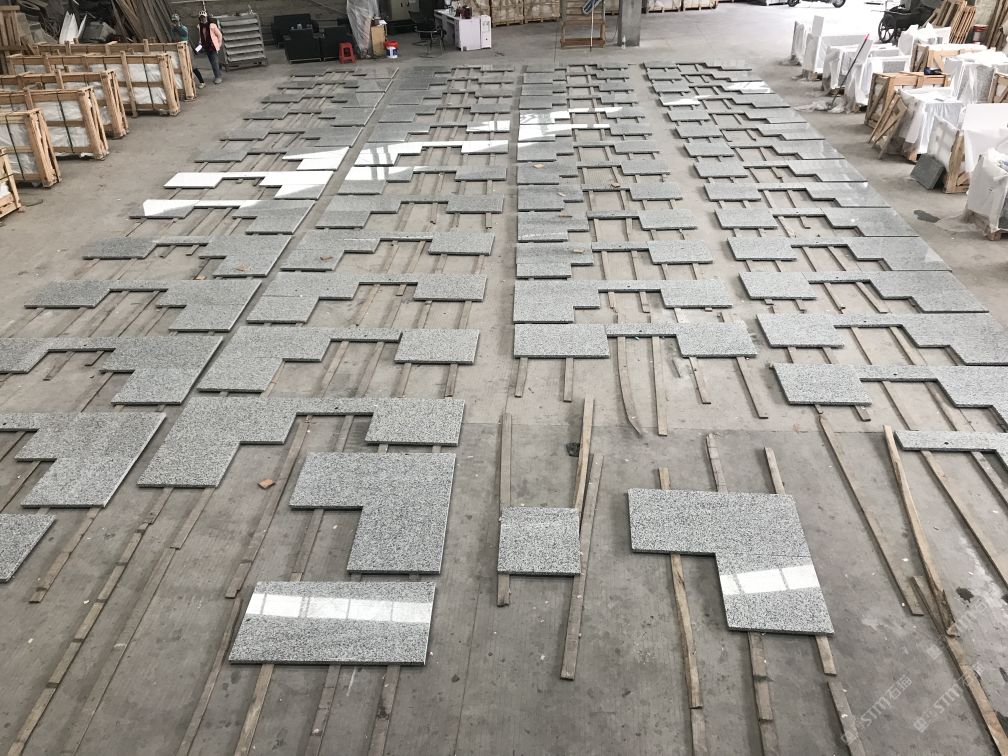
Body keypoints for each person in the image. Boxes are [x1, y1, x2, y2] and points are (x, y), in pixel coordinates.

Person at [169, 13, 204, 89]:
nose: (175, 23)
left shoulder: (183, 28)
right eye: (174, 21)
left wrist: (178, 27)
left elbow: (184, 34)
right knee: (182, 66)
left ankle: (202, 82)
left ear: (179, 21)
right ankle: (188, 82)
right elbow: (173, 38)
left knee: (192, 66)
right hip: (178, 48)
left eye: (176, 21)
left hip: (186, 48)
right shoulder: (172, 29)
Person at [196, 10, 224, 85]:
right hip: (206, 47)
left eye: (204, 17)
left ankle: (218, 77)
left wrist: (219, 44)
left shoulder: (212, 25)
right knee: (213, 62)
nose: (203, 19)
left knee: (214, 62)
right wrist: (198, 46)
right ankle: (219, 72)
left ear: (206, 17)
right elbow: (201, 37)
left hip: (213, 46)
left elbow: (219, 35)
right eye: (201, 17)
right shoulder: (200, 26)